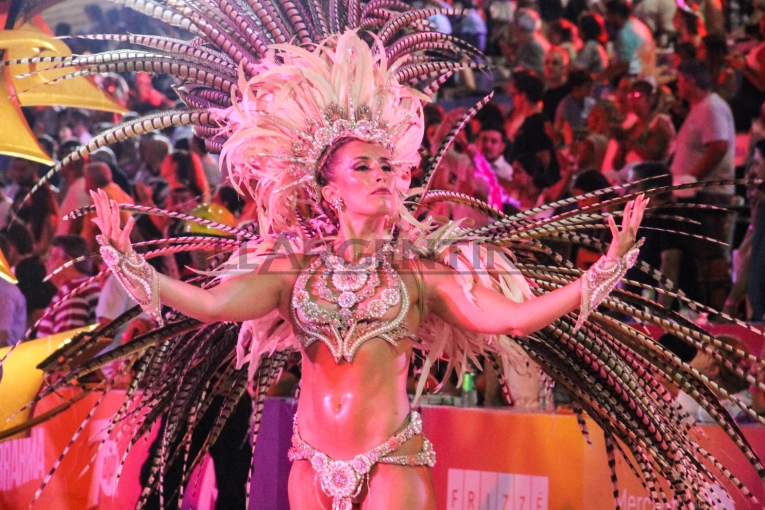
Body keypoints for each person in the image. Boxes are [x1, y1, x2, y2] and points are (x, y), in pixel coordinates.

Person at [27, 1, 765, 508]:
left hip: (391, 459)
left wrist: (591, 281)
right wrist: (138, 268)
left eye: (388, 166)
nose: (383, 176)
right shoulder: (293, 267)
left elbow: (503, 317)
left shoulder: (419, 266)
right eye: (364, 168)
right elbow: (215, 307)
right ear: (329, 187)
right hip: (309, 459)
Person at [36, 235, 100, 338]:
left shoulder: (72, 294)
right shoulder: (88, 285)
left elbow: (66, 343)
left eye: (53, 257)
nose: (47, 263)